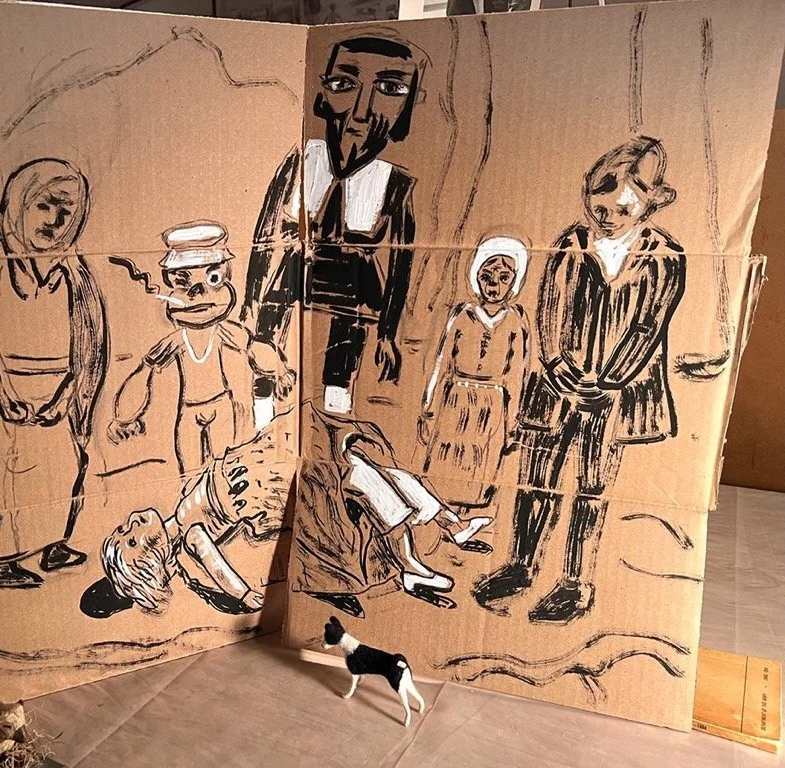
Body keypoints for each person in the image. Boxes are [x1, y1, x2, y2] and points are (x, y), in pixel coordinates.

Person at [473, 136, 686, 623]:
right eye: (599, 203)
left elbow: (648, 327)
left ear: (650, 202)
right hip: (557, 388)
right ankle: (520, 565)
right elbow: (550, 311)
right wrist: (557, 366)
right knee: (537, 478)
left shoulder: (665, 256)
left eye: (623, 206)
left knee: (591, 486)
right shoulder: (571, 244)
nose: (607, 215)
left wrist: (607, 382)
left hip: (614, 396)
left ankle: (575, 583)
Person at [242, 35, 426, 417]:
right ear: (321, 94)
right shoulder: (299, 162)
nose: (361, 113)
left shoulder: (395, 184)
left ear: (408, 108)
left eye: (390, 89)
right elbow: (263, 236)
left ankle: (335, 420)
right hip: (293, 278)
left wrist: (388, 332)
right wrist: (250, 299)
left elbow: (401, 265)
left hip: (354, 291)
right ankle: (263, 416)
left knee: (338, 385)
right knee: (264, 359)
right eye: (343, 84)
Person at [0, 158, 107, 590]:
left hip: (57, 390)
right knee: (9, 471)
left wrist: (68, 395)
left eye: (66, 213)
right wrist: (1, 395)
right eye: (44, 205)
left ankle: (51, 542)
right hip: (7, 386)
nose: (54, 221)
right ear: (18, 204)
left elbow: (87, 336)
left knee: (66, 465)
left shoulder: (72, 268)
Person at [108, 221, 295, 473]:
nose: (198, 293)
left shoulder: (228, 332)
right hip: (189, 410)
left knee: (224, 468)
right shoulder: (174, 342)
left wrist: (280, 372)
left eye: (212, 279)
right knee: (191, 472)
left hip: (221, 406)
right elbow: (143, 374)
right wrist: (123, 417)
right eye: (183, 282)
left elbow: (256, 351)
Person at [85, 423, 290, 617]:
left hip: (236, 468)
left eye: (122, 529)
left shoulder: (180, 515)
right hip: (244, 485)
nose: (132, 524)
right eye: (132, 541)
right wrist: (243, 594)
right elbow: (215, 564)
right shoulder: (190, 534)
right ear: (154, 561)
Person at [417, 236, 530, 555]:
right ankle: (442, 525)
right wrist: (429, 407)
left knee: (478, 470)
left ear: (514, 281)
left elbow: (516, 375)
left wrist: (512, 422)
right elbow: (442, 363)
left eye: (503, 278)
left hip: (491, 406)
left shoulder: (515, 321)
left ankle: (462, 525)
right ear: (476, 276)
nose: (494, 285)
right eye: (487, 276)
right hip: (457, 400)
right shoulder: (462, 314)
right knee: (445, 466)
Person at [293, 402, 455, 619]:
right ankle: (409, 564)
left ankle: (416, 557)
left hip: (327, 446)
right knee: (366, 479)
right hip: (313, 459)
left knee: (395, 478)